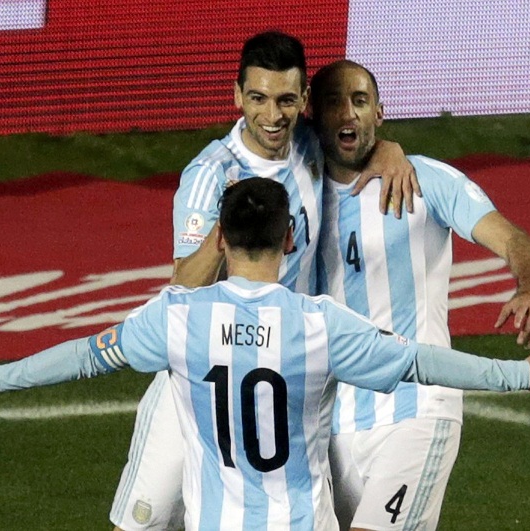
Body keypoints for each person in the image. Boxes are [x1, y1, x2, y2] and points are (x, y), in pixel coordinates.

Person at [0, 178, 530, 531]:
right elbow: (422, 362)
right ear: (291, 239)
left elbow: (86, 355)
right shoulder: (320, 324)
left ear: (220, 238)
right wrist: (520, 372)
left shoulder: (178, 317)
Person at [111, 31, 419, 530]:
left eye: (284, 101)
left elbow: (355, 134)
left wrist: (388, 149)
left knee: (358, 507)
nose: (271, 116)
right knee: (143, 521)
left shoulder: (307, 143)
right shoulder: (210, 174)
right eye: (257, 99)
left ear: (302, 102)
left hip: (293, 366)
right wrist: (223, 222)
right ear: (237, 96)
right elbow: (182, 286)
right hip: (202, 373)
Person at [310, 60, 530, 531]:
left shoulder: (426, 180)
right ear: (313, 114)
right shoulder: (301, 193)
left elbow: (514, 240)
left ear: (380, 113)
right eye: (334, 102)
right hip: (331, 425)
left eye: (360, 101)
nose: (348, 113)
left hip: (417, 410)